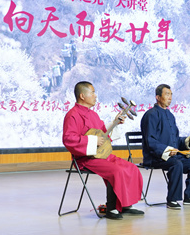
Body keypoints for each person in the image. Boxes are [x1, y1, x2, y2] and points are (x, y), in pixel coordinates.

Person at [62, 81, 144, 220]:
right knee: (116, 171)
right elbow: (68, 139)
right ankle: (112, 208)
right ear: (82, 96)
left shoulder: (93, 115)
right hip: (85, 158)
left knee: (131, 168)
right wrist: (93, 141)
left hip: (101, 155)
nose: (95, 96)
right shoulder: (72, 115)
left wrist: (114, 122)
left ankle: (125, 205)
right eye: (92, 92)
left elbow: (102, 133)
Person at [140, 84, 190, 210]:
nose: (170, 97)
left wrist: (188, 140)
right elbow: (150, 141)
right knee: (176, 164)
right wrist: (167, 151)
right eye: (167, 94)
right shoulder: (150, 115)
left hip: (171, 156)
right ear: (158, 97)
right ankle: (172, 199)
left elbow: (175, 140)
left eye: (171, 95)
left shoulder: (170, 115)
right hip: (155, 157)